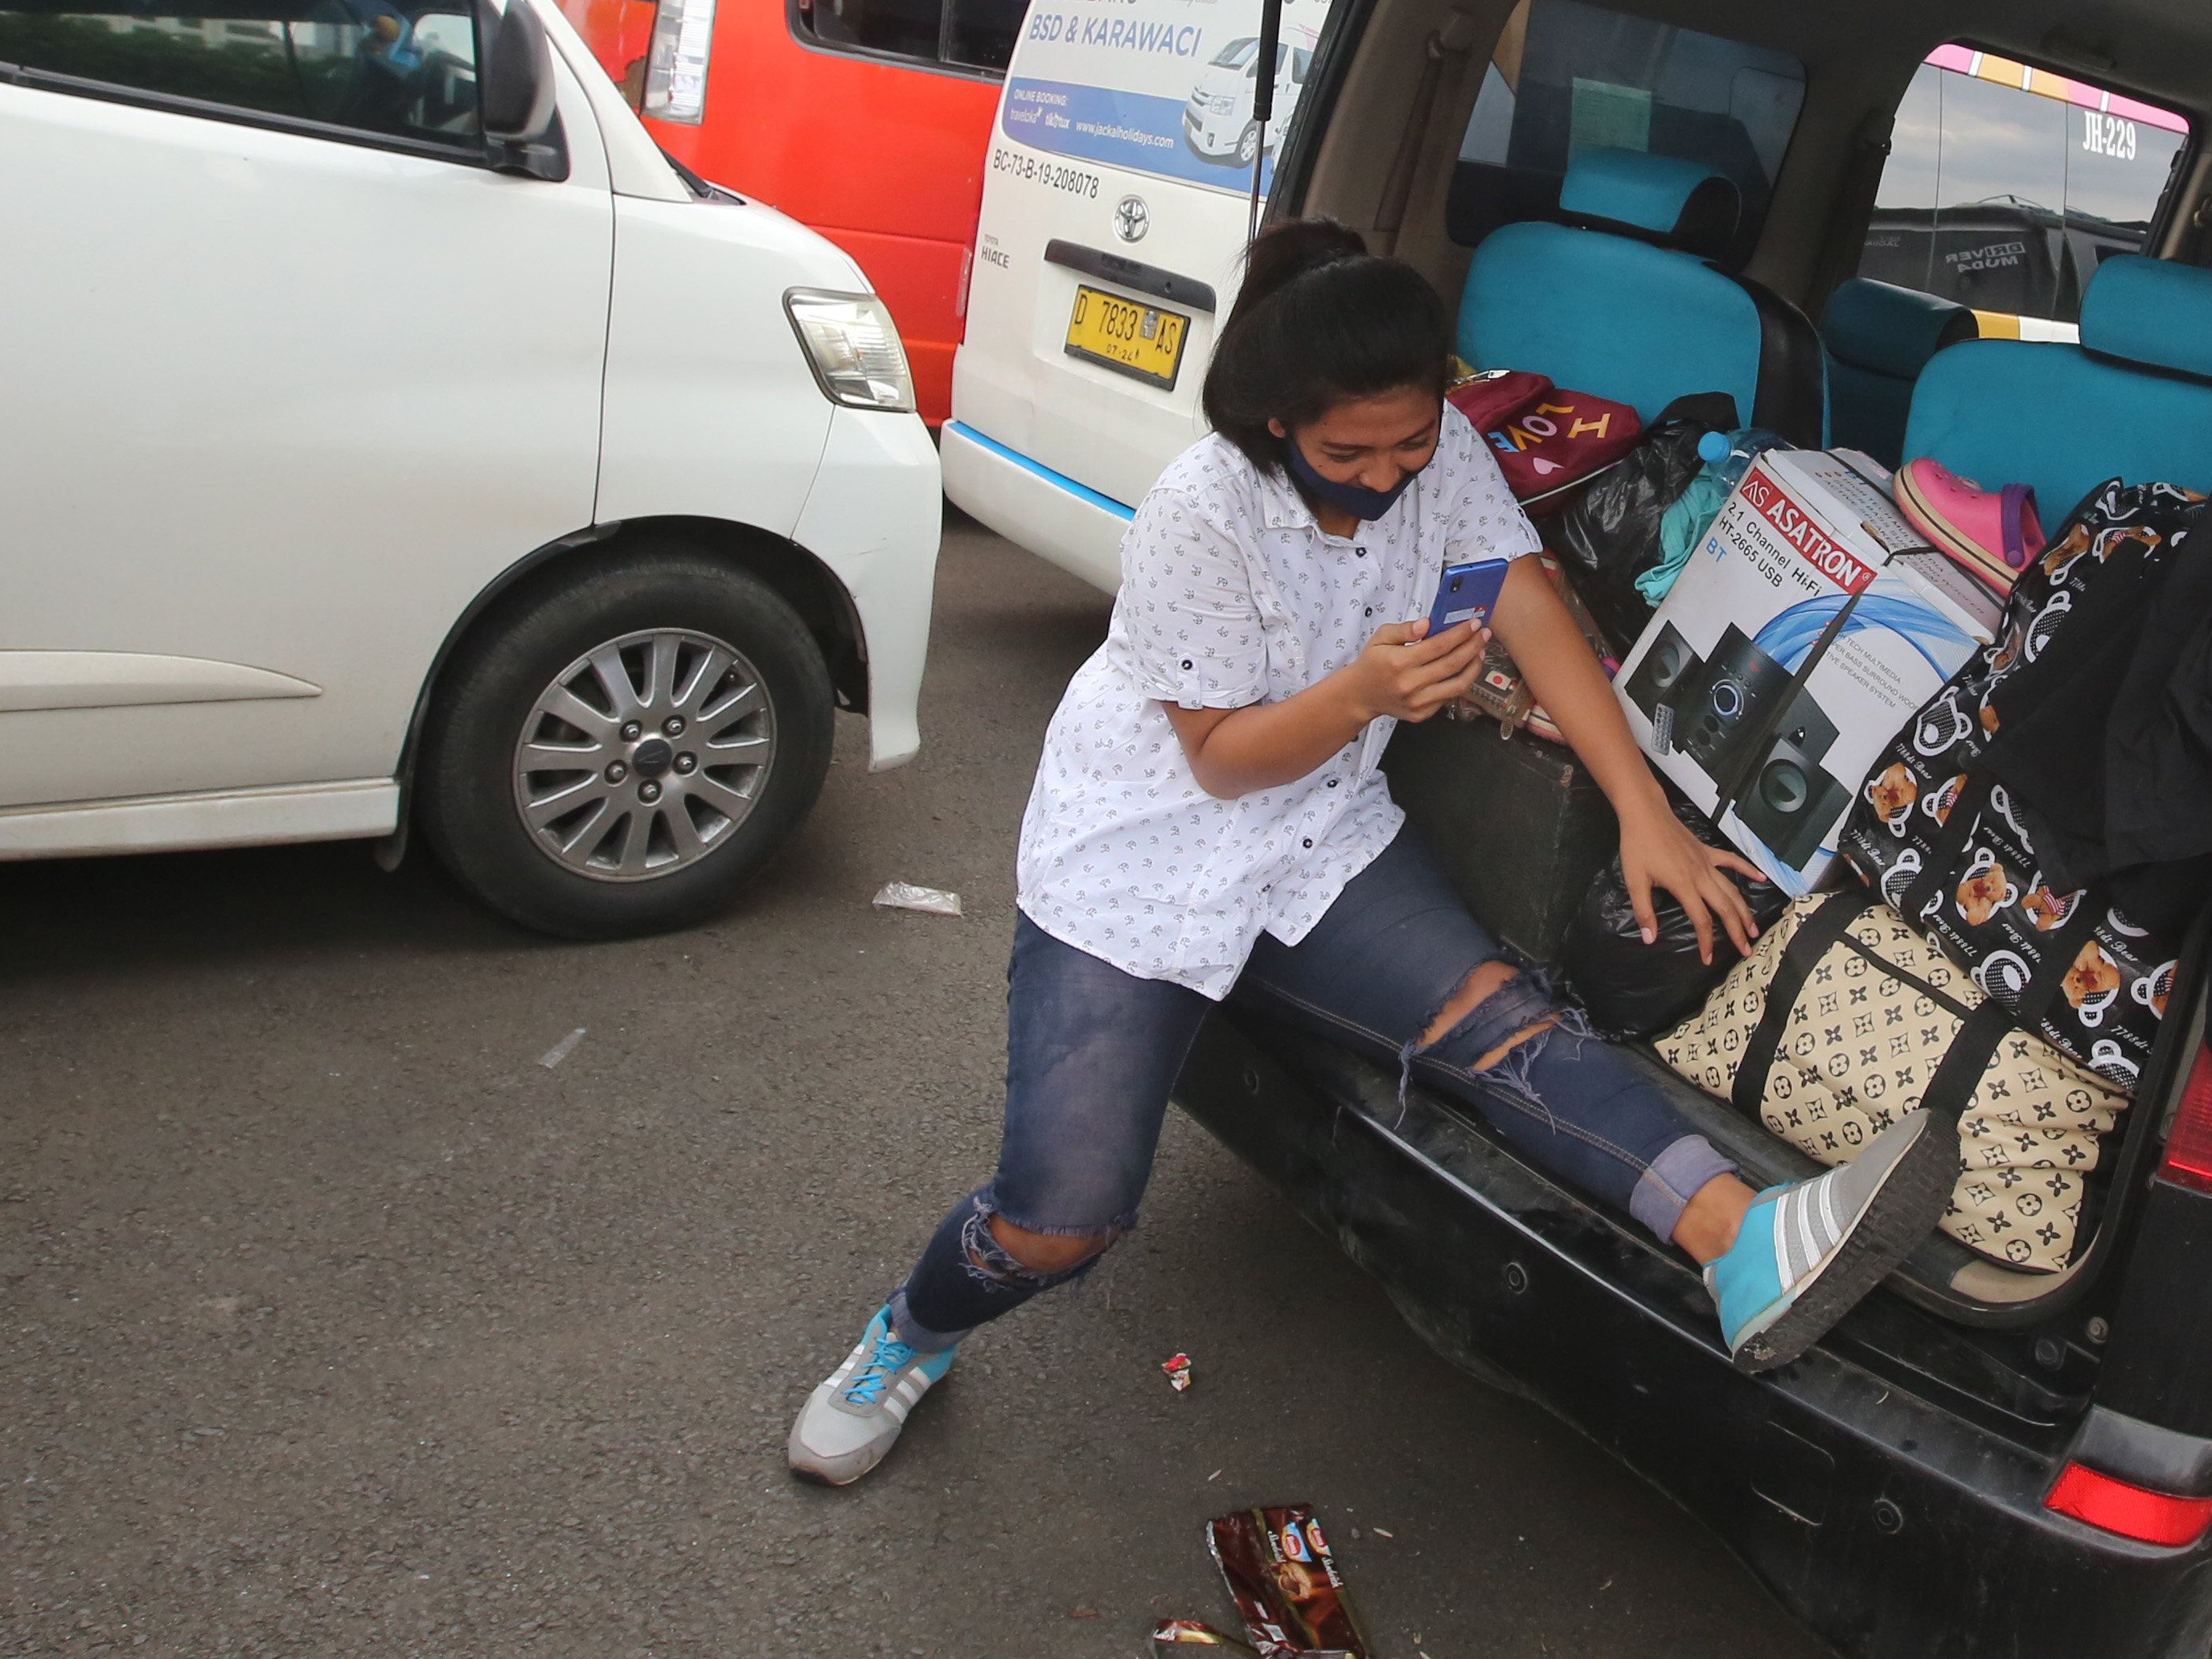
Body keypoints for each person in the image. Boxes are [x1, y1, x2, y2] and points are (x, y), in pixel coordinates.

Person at [785, 220, 1950, 1485]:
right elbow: (1225, 760)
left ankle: (1744, 1245)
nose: (1390, 476)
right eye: (1351, 452)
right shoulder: (1201, 508)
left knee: (1507, 1031)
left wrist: (1641, 810)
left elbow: (1527, 597)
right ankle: (910, 1333)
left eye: (1409, 444)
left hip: (1318, 842)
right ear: (1276, 419)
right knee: (1064, 1219)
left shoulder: (1435, 450)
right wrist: (1363, 694)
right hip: (1142, 857)